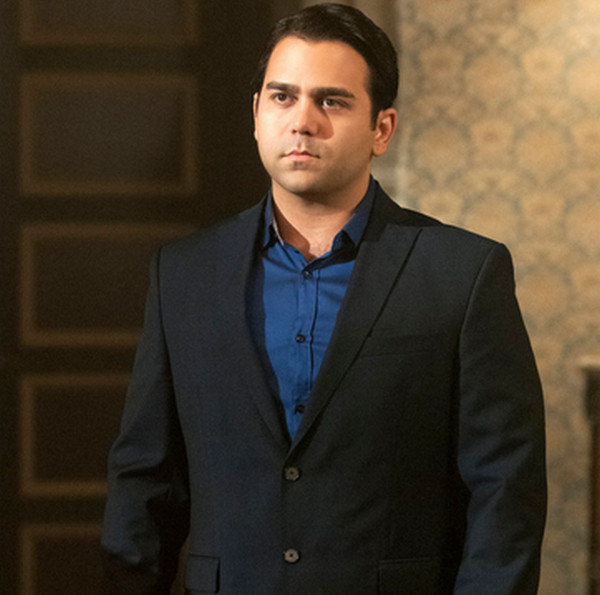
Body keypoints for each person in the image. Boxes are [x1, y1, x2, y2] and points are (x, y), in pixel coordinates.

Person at [101, 3, 547, 594]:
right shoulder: (185, 274)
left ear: (382, 129)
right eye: (282, 97)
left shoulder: (463, 273)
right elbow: (146, 482)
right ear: (256, 114)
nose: (302, 122)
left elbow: (505, 490)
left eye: (331, 101)